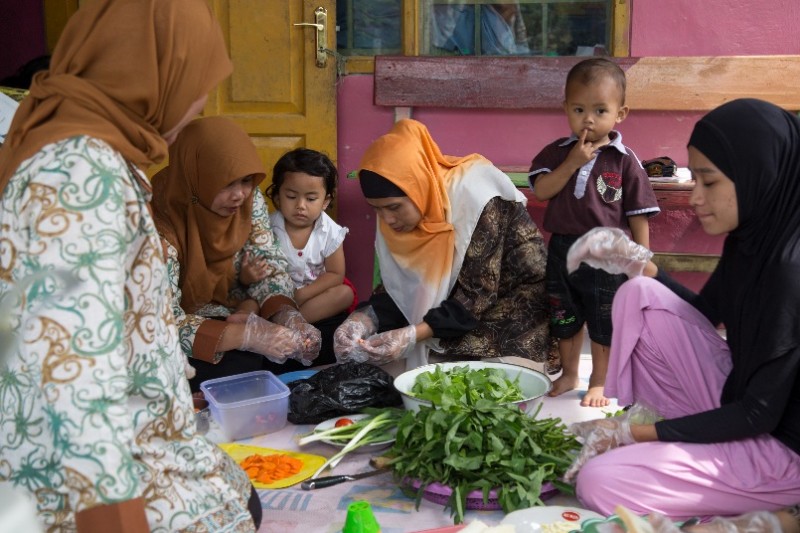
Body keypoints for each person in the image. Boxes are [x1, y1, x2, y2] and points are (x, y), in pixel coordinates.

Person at [0, 0, 263, 531]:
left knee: (238, 486)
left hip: (140, 435)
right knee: (237, 511)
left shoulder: (89, 150)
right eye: (194, 84)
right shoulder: (78, 174)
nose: (198, 104)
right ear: (150, 76)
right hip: (87, 476)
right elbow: (69, 379)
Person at [562, 99, 800, 520]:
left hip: (782, 451)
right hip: (741, 403)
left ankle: (777, 508)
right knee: (640, 295)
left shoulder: (789, 270)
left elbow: (758, 415)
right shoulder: (753, 235)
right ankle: (682, 440)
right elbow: (704, 314)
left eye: (709, 182)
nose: (695, 198)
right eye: (695, 180)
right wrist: (638, 262)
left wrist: (631, 435)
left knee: (600, 482)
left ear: (758, 177)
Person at [334, 118, 555, 373]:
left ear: (419, 187)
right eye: (377, 210)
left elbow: (476, 295)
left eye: (394, 207)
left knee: (483, 384)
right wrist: (363, 319)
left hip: (514, 306)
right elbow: (401, 286)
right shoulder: (397, 218)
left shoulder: (477, 198)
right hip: (456, 310)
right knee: (396, 371)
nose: (388, 219)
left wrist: (412, 335)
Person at [151, 117, 325, 391]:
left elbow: (266, 262)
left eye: (246, 181)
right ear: (197, 177)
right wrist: (247, 336)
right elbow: (160, 322)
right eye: (226, 184)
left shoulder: (248, 199)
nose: (239, 195)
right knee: (242, 364)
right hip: (178, 325)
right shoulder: (157, 221)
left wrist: (287, 315)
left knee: (315, 341)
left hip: (232, 309)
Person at [528, 57, 659, 407]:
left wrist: (642, 259)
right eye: (579, 109)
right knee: (565, 315)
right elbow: (541, 191)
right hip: (562, 249)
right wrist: (572, 162)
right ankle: (569, 373)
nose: (588, 119)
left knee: (604, 318)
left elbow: (637, 214)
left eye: (600, 110)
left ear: (621, 114)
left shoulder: (624, 160)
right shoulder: (557, 153)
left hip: (607, 253)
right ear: (566, 109)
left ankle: (599, 382)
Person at [267, 148, 356, 323]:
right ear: (277, 197)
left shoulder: (331, 231)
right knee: (250, 299)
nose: (300, 205)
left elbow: (335, 274)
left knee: (345, 294)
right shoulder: (267, 227)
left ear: (325, 202)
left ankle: (291, 325)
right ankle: (283, 323)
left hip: (312, 297)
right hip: (275, 295)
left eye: (310, 199)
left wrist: (302, 295)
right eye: (291, 196)